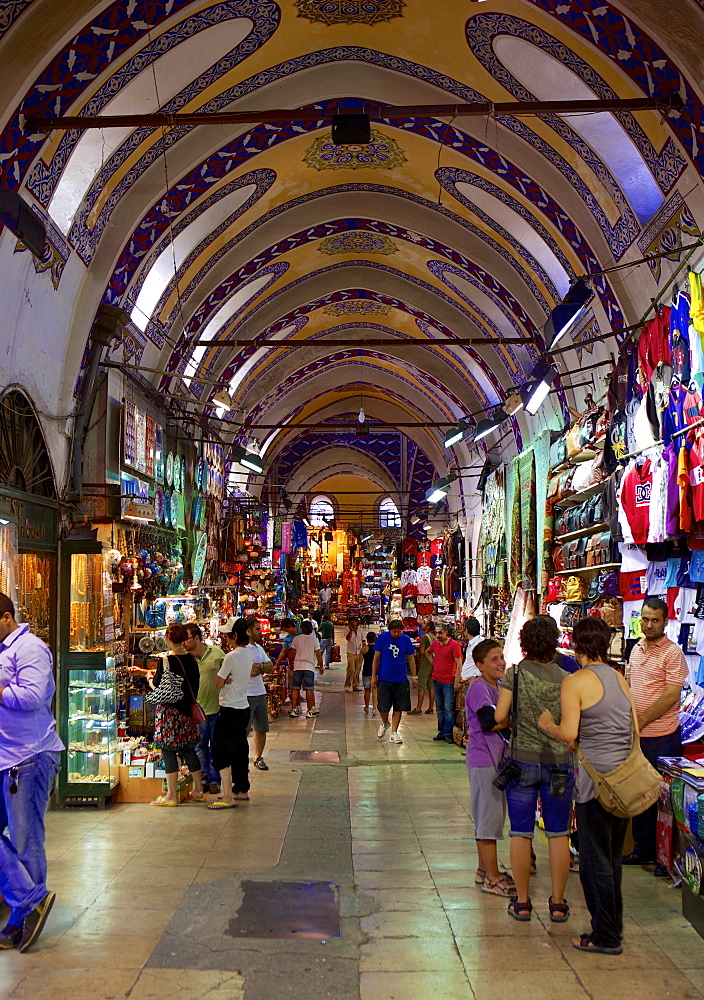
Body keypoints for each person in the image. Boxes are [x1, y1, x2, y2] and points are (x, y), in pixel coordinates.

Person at [538, 617, 635, 955]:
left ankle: (605, 936)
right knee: (612, 858)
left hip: (596, 782)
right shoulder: (619, 678)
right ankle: (613, 927)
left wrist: (549, 725)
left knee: (594, 862)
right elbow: (633, 724)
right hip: (624, 779)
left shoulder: (576, 681)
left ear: (576, 645)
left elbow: (568, 734)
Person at [494, 615, 574, 922]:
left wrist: (517, 720)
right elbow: (570, 726)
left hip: (522, 762)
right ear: (554, 641)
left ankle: (523, 902)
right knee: (557, 833)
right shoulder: (566, 679)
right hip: (557, 764)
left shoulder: (514, 674)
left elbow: (500, 715)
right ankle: (557, 903)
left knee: (520, 832)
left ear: (524, 643)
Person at [0, 593, 64, 953]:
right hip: (6, 758)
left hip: (30, 757)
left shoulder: (30, 649)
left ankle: (20, 920)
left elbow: (31, 698)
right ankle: (30, 898)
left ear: (7, 617)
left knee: (26, 839)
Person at [623, 597, 687, 870]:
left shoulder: (672, 653)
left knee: (663, 797)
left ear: (665, 621)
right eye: (645, 619)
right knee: (641, 794)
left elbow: (672, 695)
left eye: (655, 620)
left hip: (662, 736)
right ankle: (644, 848)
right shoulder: (636, 648)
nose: (648, 625)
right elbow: (629, 685)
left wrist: (642, 720)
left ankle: (666, 857)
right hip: (638, 735)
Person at [465, 638, 514, 897]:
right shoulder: (478, 688)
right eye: (494, 659)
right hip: (484, 761)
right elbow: (488, 722)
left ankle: (484, 870)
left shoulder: (496, 686)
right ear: (479, 665)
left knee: (489, 816)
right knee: (489, 819)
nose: (501, 663)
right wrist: (514, 720)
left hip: (493, 760)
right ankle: (492, 878)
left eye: (501, 657)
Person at [149, 623, 205, 806]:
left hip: (168, 713)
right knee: (188, 748)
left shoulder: (166, 661)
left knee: (168, 750)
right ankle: (198, 789)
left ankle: (171, 795)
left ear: (167, 638)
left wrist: (149, 679)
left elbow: (158, 687)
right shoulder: (192, 660)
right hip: (187, 711)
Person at [209, 618, 254, 809]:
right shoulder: (248, 653)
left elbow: (218, 683)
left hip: (229, 709)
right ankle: (241, 789)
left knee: (220, 750)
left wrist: (223, 676)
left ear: (235, 636)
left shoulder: (232, 656)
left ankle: (227, 795)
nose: (226, 638)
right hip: (243, 706)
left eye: (228, 635)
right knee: (240, 749)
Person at [185, 623, 225, 794]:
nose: (183, 643)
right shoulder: (185, 659)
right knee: (199, 746)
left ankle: (215, 780)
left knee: (217, 745)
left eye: (186, 638)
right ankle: (203, 778)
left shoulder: (216, 653)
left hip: (218, 708)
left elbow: (230, 671)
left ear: (196, 638)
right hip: (197, 710)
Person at [372, 620, 417, 744]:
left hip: (401, 678)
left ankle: (394, 732)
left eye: (399, 632)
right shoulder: (382, 638)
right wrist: (373, 676)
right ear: (389, 630)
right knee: (382, 706)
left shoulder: (406, 640)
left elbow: (411, 659)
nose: (397, 634)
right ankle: (385, 722)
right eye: (394, 632)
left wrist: (414, 676)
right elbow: (376, 658)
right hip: (384, 678)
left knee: (399, 706)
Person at [245, 618, 273, 771]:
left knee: (261, 728)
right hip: (246, 695)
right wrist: (259, 668)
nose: (260, 632)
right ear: (248, 631)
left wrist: (259, 667)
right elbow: (250, 671)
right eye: (257, 629)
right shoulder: (243, 650)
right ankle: (241, 758)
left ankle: (258, 757)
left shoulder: (259, 649)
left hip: (259, 692)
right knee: (244, 729)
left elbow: (270, 667)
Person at [428, 624, 463, 744]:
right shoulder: (436, 644)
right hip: (436, 679)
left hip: (448, 681)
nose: (437, 635)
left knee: (448, 708)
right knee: (439, 707)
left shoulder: (454, 645)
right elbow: (427, 652)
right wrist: (433, 662)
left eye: (440, 633)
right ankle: (442, 731)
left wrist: (457, 680)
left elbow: (459, 663)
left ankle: (448, 733)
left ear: (446, 633)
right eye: (436, 633)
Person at [289, 621, 324, 718]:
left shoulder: (296, 639)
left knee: (295, 688)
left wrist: (291, 663)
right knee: (309, 688)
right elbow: (318, 654)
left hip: (297, 666)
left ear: (302, 629)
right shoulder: (314, 640)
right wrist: (321, 665)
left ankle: (294, 709)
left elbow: (291, 653)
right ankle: (310, 710)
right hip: (309, 667)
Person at [409, 621, 435, 715]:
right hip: (433, 664)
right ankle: (431, 708)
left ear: (428, 627)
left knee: (421, 686)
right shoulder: (434, 637)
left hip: (425, 664)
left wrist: (419, 652)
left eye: (424, 624)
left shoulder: (424, 637)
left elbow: (423, 651)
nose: (422, 624)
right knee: (431, 686)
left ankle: (418, 708)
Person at [273, 619, 300, 701]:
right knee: (293, 685)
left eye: (286, 629)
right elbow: (283, 652)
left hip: (304, 663)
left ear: (290, 626)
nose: (286, 631)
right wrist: (276, 665)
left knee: (306, 686)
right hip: (292, 664)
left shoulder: (303, 633)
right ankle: (295, 704)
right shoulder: (288, 638)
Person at [461, 618, 483, 682]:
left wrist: (475, 677)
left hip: (473, 681)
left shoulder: (477, 644)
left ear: (466, 630)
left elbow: (483, 663)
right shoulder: (473, 643)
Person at [344, 618, 364, 692]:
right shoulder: (347, 630)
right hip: (351, 652)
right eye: (351, 622)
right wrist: (351, 630)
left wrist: (364, 646)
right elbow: (347, 638)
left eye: (354, 622)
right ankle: (347, 685)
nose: (353, 624)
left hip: (359, 652)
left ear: (356, 622)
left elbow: (363, 638)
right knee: (351, 669)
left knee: (357, 669)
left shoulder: (360, 630)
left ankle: (356, 685)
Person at [361, 631, 377, 715]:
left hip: (366, 671)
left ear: (367, 639)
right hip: (375, 672)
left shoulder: (364, 649)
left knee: (367, 690)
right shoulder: (377, 649)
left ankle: (367, 706)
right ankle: (374, 708)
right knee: (375, 690)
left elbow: (360, 662)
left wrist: (356, 672)